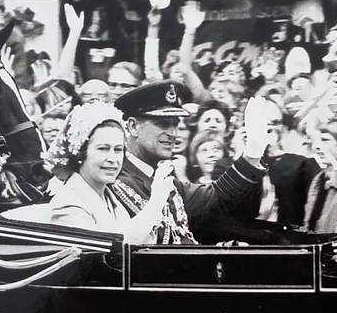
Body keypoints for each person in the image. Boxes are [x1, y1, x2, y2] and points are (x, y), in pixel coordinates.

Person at [113, 80, 272, 244]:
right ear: (132, 126)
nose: (173, 133)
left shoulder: (167, 183)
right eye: (162, 124)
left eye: (175, 125)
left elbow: (215, 198)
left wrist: (252, 153)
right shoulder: (113, 180)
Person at [10, 102, 175, 244]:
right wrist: (156, 201)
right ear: (80, 153)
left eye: (118, 150)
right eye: (103, 149)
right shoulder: (68, 205)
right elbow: (113, 254)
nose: (113, 159)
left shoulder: (110, 197)